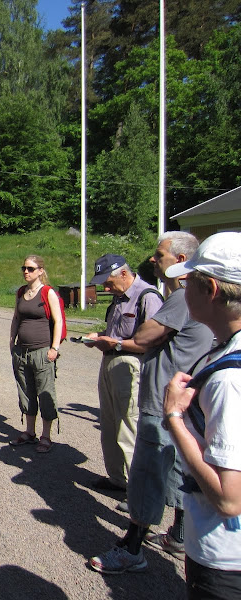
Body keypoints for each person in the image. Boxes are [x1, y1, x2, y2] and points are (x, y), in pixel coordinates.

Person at [89, 232, 214, 574]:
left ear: (181, 260)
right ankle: (179, 536)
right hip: (183, 400)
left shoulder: (182, 297)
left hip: (162, 400)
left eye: (160, 255)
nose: (153, 260)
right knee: (179, 468)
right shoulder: (191, 296)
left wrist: (118, 342)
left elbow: (143, 336)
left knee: (146, 473)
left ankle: (132, 549)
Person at [161, 232, 241, 599]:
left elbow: (228, 499)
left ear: (210, 289)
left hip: (224, 559)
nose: (182, 288)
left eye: (188, 280)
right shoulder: (225, 351)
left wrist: (174, 417)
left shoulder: (228, 379)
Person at [85, 254, 163, 493]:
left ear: (125, 274)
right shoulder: (119, 297)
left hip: (131, 364)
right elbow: (116, 332)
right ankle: (117, 478)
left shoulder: (148, 297)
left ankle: (136, 489)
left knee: (129, 426)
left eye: (108, 283)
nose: (106, 289)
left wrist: (115, 343)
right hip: (110, 362)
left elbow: (153, 341)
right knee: (109, 424)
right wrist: (100, 337)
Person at [8, 255, 63, 453]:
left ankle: (46, 436)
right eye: (24, 268)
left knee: (45, 393)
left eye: (30, 269)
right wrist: (12, 341)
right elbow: (16, 318)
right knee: (26, 392)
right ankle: (30, 432)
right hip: (21, 351)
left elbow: (58, 320)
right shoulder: (21, 292)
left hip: (42, 352)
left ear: (40, 271)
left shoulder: (48, 293)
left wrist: (54, 348)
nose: (26, 272)